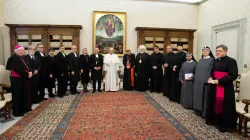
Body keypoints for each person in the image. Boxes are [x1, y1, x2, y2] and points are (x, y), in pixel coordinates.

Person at [206, 44, 238, 132]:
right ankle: (215, 121)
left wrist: (219, 81)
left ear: (225, 51)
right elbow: (212, 71)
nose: (217, 52)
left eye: (219, 51)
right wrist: (211, 77)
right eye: (216, 51)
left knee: (224, 106)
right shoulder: (215, 61)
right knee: (214, 103)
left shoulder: (231, 61)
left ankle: (224, 125)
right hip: (215, 86)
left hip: (225, 87)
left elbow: (233, 75)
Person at [6, 46, 32, 116]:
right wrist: (27, 73)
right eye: (23, 50)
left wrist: (30, 71)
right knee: (17, 95)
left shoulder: (21, 57)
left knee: (23, 94)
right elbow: (18, 70)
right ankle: (17, 112)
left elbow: (27, 66)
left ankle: (23, 109)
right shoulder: (14, 58)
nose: (24, 51)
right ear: (18, 51)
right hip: (17, 80)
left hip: (23, 79)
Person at [193, 46, 214, 117]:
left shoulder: (212, 60)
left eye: (206, 51)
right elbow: (197, 70)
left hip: (204, 82)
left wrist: (206, 80)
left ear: (209, 52)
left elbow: (210, 71)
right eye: (203, 51)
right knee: (197, 96)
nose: (205, 52)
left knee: (204, 97)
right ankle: (197, 110)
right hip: (197, 81)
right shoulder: (200, 60)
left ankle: (203, 112)